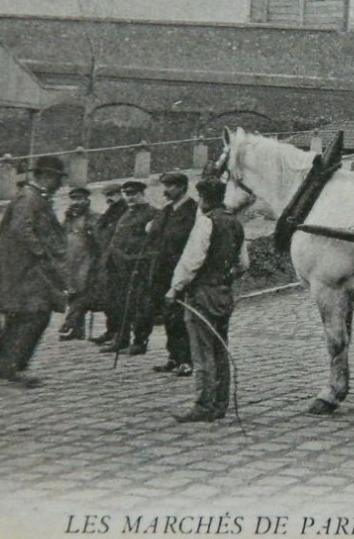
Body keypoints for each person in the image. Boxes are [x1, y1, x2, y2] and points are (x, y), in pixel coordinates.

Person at [164, 176, 247, 422]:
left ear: (203, 199)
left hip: (201, 294)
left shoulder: (205, 222)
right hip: (224, 293)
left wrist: (174, 289)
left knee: (202, 351)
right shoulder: (235, 223)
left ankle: (203, 404)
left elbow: (191, 261)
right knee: (220, 349)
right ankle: (220, 404)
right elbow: (243, 264)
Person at [0, 155, 68, 387]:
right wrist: (40, 252)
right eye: (58, 179)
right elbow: (21, 229)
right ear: (47, 177)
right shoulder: (30, 197)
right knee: (33, 316)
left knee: (24, 317)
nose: (60, 184)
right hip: (26, 271)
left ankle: (1, 368)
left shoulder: (34, 196)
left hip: (28, 270)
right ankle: (13, 368)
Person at [145, 171, 199, 375]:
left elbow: (185, 240)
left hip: (181, 269)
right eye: (165, 186)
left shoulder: (193, 210)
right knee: (169, 316)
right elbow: (153, 233)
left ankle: (187, 360)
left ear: (183, 187)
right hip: (162, 270)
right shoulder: (166, 210)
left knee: (182, 317)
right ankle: (173, 357)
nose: (166, 190)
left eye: (171, 186)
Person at [97, 180, 158, 356]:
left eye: (133, 194)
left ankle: (140, 342)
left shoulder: (151, 213)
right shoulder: (127, 212)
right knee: (120, 304)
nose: (130, 198)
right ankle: (121, 339)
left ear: (142, 194)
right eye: (127, 194)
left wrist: (140, 260)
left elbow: (151, 244)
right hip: (118, 267)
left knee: (139, 306)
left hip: (136, 267)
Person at [57, 187, 100, 340]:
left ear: (87, 200)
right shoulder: (69, 218)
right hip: (71, 261)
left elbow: (99, 240)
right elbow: (61, 236)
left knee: (82, 292)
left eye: (80, 199)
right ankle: (77, 330)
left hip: (87, 260)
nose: (76, 202)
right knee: (73, 293)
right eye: (74, 199)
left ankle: (70, 322)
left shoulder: (93, 217)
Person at [88, 185, 126, 344]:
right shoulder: (110, 211)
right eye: (107, 195)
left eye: (112, 194)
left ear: (119, 194)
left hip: (118, 261)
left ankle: (120, 333)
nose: (109, 198)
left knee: (119, 299)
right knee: (108, 298)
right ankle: (111, 331)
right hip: (106, 260)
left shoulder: (123, 210)